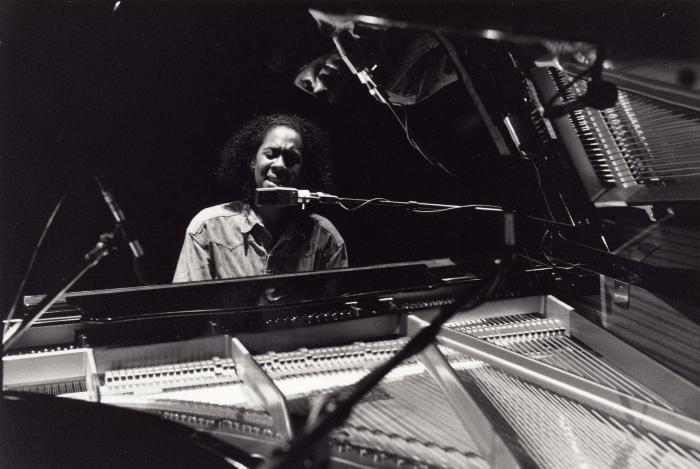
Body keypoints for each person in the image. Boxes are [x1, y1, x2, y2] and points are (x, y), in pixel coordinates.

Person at [173, 114, 347, 282]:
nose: (279, 165)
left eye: (292, 158)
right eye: (270, 154)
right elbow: (188, 306)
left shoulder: (326, 238)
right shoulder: (207, 228)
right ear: (252, 161)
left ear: (304, 170)